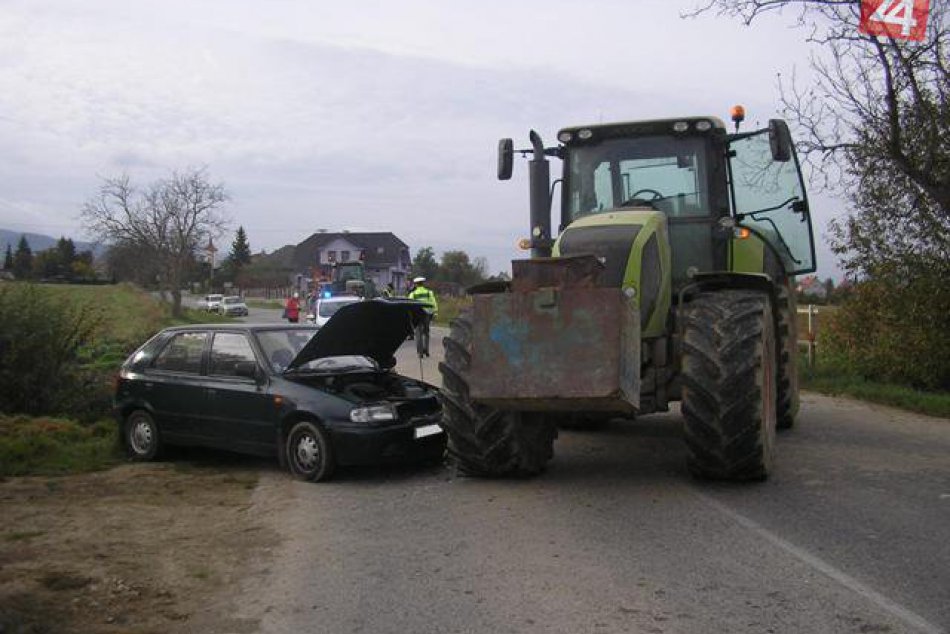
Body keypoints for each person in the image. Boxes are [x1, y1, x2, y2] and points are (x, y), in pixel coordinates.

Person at [407, 276, 439, 356]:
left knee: (419, 333)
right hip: (427, 315)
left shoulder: (413, 294)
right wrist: (435, 312)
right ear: (423, 283)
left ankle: (420, 352)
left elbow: (409, 305)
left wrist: (410, 315)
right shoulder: (429, 292)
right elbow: (433, 303)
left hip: (417, 315)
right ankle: (426, 350)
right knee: (426, 333)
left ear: (416, 284)